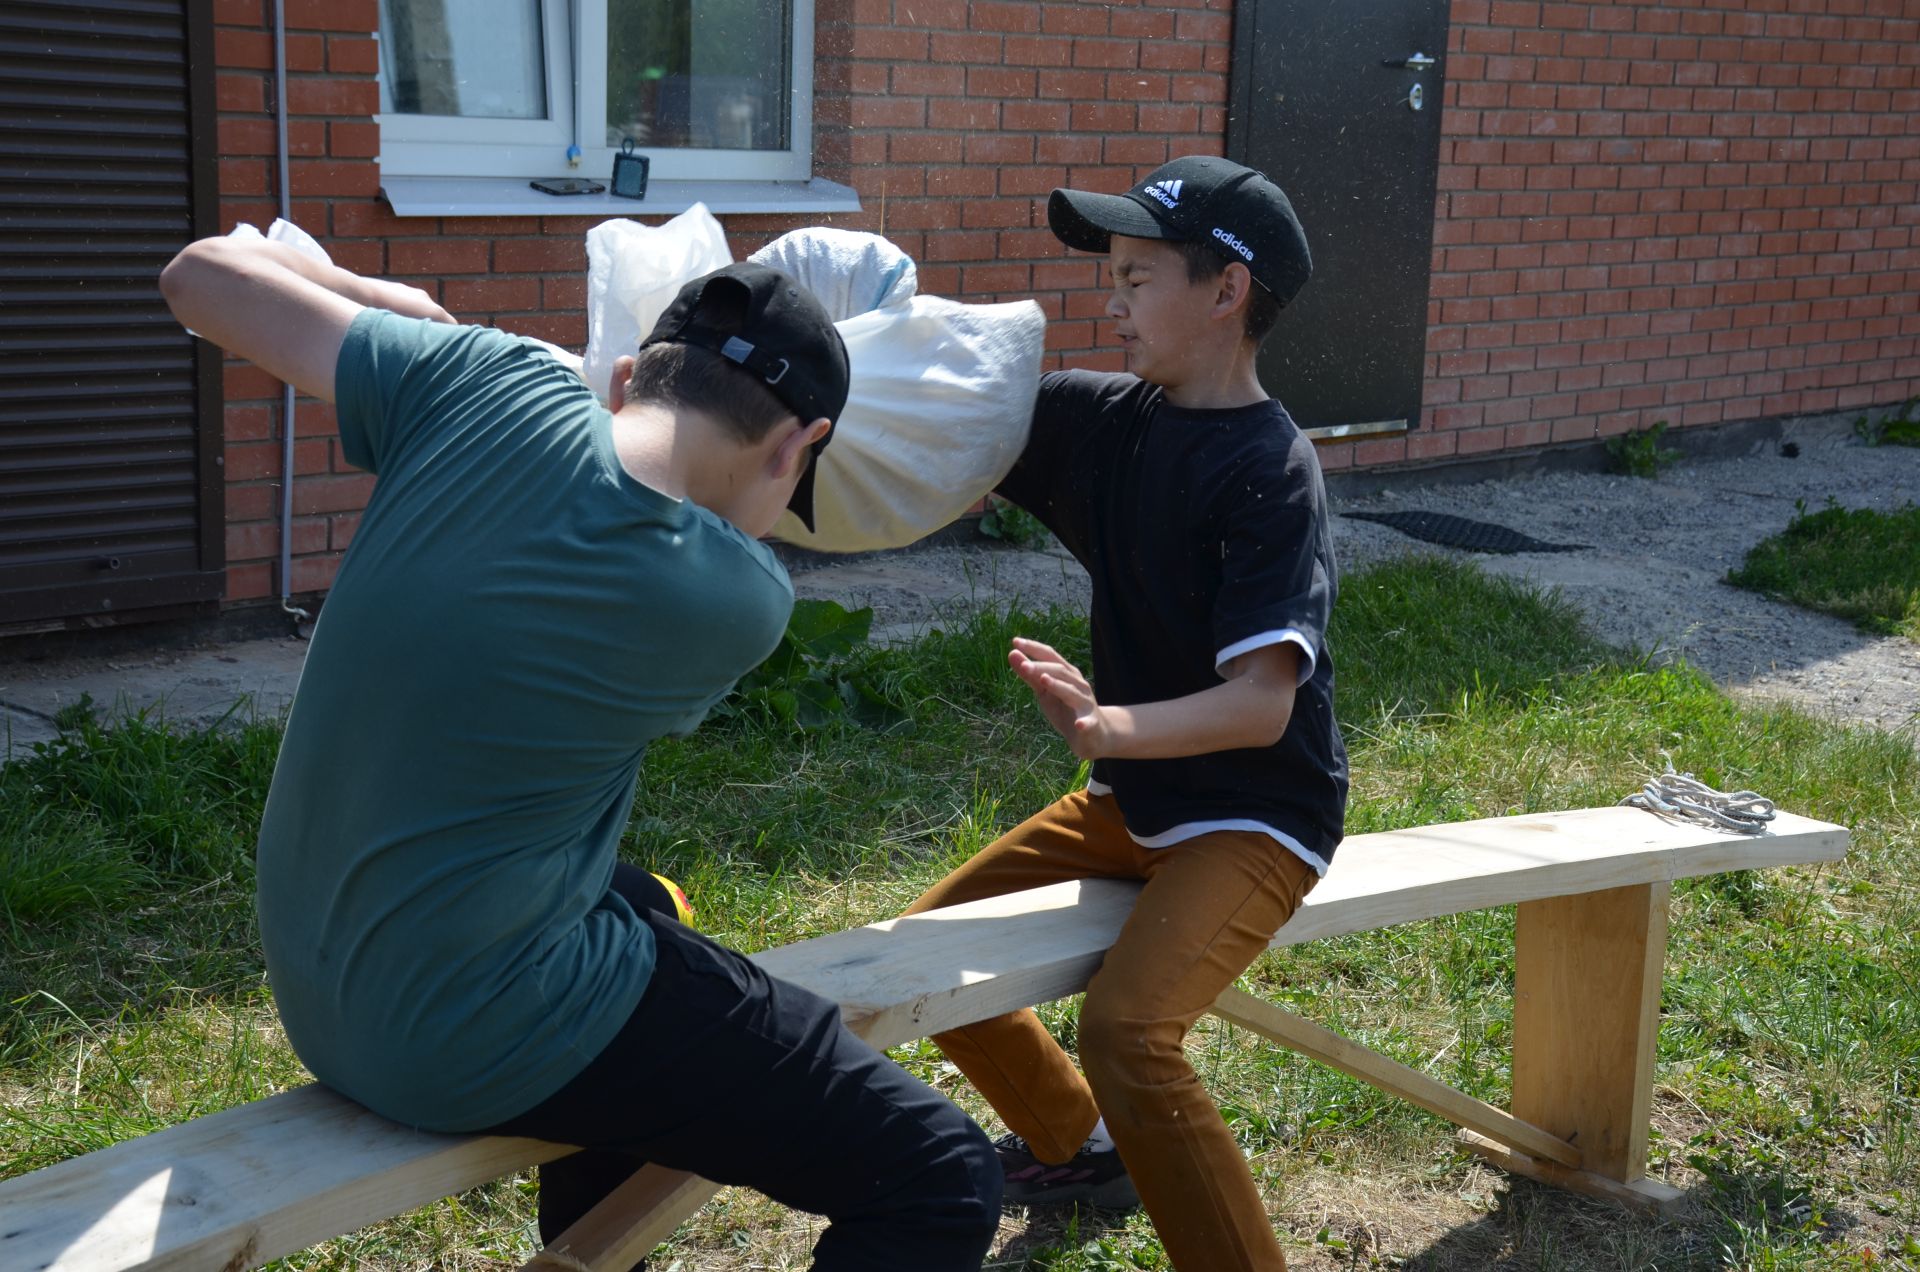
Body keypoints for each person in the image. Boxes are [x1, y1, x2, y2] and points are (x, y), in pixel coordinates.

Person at [158, 241, 1001, 1271]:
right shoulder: (733, 600)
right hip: (456, 1035)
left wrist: (407, 311)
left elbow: (198, 277)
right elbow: (655, 522)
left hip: (322, 986)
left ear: (625, 375)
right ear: (798, 447)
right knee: (940, 1171)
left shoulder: (477, 379)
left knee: (641, 903)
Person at [900, 154, 1350, 1271]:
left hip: (1251, 818)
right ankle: (1082, 1147)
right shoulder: (1112, 422)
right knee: (925, 956)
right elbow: (957, 409)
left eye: (1139, 276)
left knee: (1131, 1033)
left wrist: (1111, 731)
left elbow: (1258, 708)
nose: (1115, 300)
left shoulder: (1270, 472)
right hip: (1133, 798)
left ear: (1227, 290)